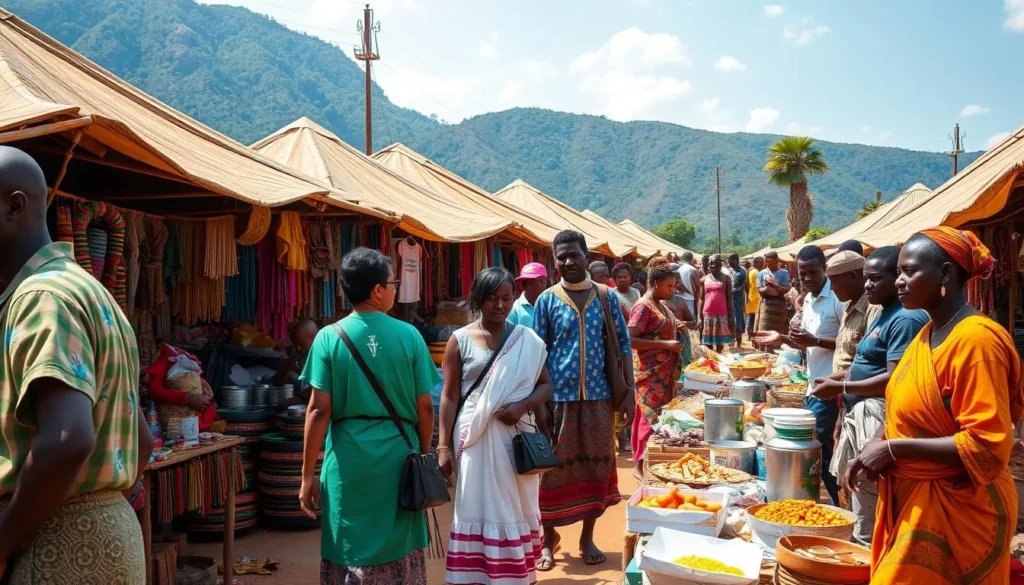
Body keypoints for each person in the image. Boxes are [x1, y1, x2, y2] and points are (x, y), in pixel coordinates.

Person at [0, 146, 153, 584]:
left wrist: (4, 539)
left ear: (14, 206)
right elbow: (139, 439)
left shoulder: (40, 298)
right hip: (107, 537)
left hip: (53, 547)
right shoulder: (91, 291)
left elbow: (66, 441)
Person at [845, 227, 1022, 584]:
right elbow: (901, 402)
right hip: (915, 500)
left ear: (945, 274)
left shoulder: (976, 342)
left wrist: (892, 450)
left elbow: (987, 446)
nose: (899, 282)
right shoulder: (928, 333)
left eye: (910, 271)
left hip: (958, 510)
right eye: (899, 272)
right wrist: (873, 446)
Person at [299, 247, 438, 585]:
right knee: (398, 547)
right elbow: (425, 408)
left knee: (349, 546)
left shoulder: (328, 338)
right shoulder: (409, 336)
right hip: (398, 461)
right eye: (392, 282)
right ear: (377, 290)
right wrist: (422, 453)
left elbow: (318, 410)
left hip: (347, 464)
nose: (394, 289)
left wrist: (306, 476)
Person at [438, 268, 553, 585]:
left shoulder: (525, 339)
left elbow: (546, 386)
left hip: (515, 438)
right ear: (478, 299)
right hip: (473, 438)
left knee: (514, 506)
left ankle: (513, 577)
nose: (500, 305)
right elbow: (448, 396)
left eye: (506, 298)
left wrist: (521, 407)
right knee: (476, 505)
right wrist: (443, 447)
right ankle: (476, 576)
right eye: (492, 298)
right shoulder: (459, 341)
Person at [812, 247, 927, 545]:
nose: (867, 286)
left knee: (868, 498)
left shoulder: (906, 319)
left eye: (875, 279)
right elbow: (864, 364)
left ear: (897, 278)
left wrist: (842, 388)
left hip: (877, 420)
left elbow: (896, 379)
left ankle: (866, 555)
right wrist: (839, 382)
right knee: (856, 493)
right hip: (858, 412)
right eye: (866, 279)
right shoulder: (885, 312)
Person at [532, 230, 632, 570]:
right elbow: (535, 353)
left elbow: (623, 344)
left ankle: (587, 536)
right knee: (550, 470)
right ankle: (548, 540)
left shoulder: (605, 297)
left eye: (574, 255)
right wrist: (538, 404)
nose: (568, 262)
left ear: (586, 255)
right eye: (561, 257)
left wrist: (629, 392)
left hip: (598, 398)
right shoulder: (546, 301)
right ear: (554, 261)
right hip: (556, 400)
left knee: (596, 466)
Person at [756, 245, 843, 504]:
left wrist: (814, 339)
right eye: (802, 273)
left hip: (831, 389)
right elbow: (806, 342)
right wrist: (782, 338)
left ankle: (837, 505)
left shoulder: (838, 299)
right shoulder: (808, 300)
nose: (806, 279)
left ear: (825, 270)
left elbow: (849, 344)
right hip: (811, 387)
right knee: (820, 450)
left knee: (822, 452)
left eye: (812, 273)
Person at [628, 257, 690, 480]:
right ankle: (640, 465)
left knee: (654, 417)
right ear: (655, 284)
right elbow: (631, 339)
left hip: (664, 374)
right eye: (669, 286)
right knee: (648, 417)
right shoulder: (643, 308)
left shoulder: (661, 305)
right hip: (649, 374)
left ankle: (652, 461)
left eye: (674, 286)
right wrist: (665, 344)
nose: (673, 290)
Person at [276, 317, 319, 407]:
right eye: (294, 344)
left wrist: (298, 398)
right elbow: (276, 384)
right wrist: (284, 370)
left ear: (314, 338)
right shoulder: (299, 355)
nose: (297, 348)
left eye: (300, 343)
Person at [697, 254, 735, 352]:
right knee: (708, 340)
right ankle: (712, 359)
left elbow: (729, 297)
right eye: (710, 264)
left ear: (720, 265)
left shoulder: (726, 278)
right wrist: (699, 317)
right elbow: (701, 298)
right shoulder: (703, 279)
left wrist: (731, 315)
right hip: (708, 313)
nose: (712, 266)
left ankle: (718, 356)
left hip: (722, 313)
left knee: (720, 340)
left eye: (715, 264)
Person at [754, 251, 791, 338]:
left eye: (769, 262)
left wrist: (773, 285)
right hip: (766, 305)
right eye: (766, 262)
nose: (767, 264)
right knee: (764, 331)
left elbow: (785, 290)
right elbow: (759, 290)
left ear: (776, 260)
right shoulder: (762, 273)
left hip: (779, 306)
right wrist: (768, 289)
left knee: (777, 333)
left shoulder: (784, 273)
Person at [507, 262, 548, 328]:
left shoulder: (550, 305)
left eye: (544, 281)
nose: (543, 285)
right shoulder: (515, 309)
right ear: (525, 285)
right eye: (540, 281)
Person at [728, 253, 748, 346]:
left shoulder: (742, 272)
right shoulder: (729, 271)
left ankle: (738, 343)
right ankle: (731, 341)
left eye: (730, 260)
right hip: (729, 299)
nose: (728, 262)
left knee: (738, 320)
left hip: (738, 300)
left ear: (736, 260)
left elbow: (739, 286)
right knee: (730, 320)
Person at [675, 252, 699, 319]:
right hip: (691, 300)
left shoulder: (678, 270)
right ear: (692, 259)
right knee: (691, 322)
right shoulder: (692, 269)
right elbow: (698, 287)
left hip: (680, 299)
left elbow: (678, 285)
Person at [746, 256, 763, 339]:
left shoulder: (752, 271)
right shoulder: (756, 273)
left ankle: (751, 334)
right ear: (756, 263)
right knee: (752, 317)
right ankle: (751, 335)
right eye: (761, 263)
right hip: (755, 297)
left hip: (753, 297)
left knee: (752, 316)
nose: (763, 264)